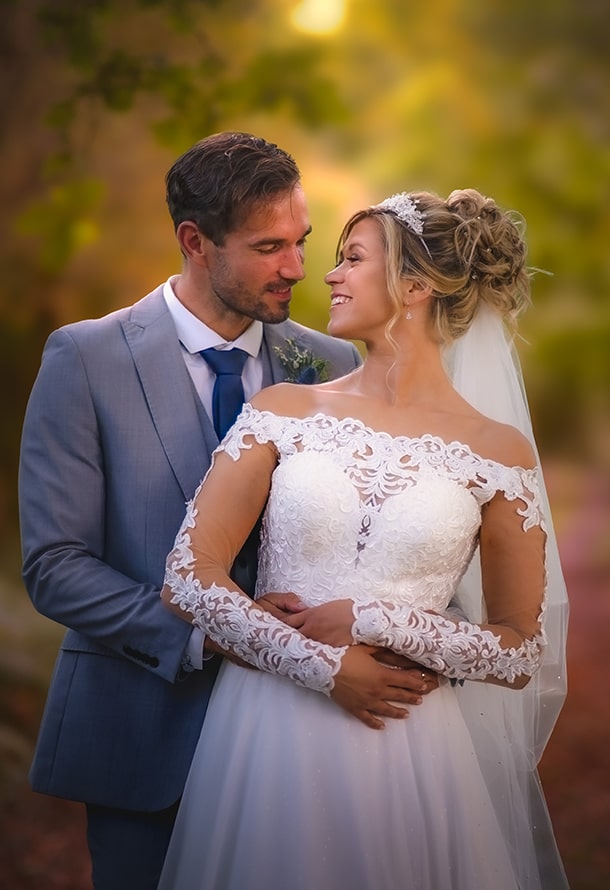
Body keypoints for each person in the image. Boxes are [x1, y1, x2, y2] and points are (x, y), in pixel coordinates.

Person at [18, 133, 435, 890]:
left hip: (309, 738)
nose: (299, 269)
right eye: (269, 246)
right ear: (195, 241)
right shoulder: (85, 359)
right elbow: (54, 568)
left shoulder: (333, 364)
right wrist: (219, 638)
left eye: (303, 242)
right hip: (142, 734)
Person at [158, 187, 570, 889]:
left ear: (413, 285)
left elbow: (519, 648)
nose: (328, 274)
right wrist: (319, 666)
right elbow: (187, 578)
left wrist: (373, 621)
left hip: (407, 744)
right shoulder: (285, 411)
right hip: (268, 726)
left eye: (351, 258)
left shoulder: (499, 454)